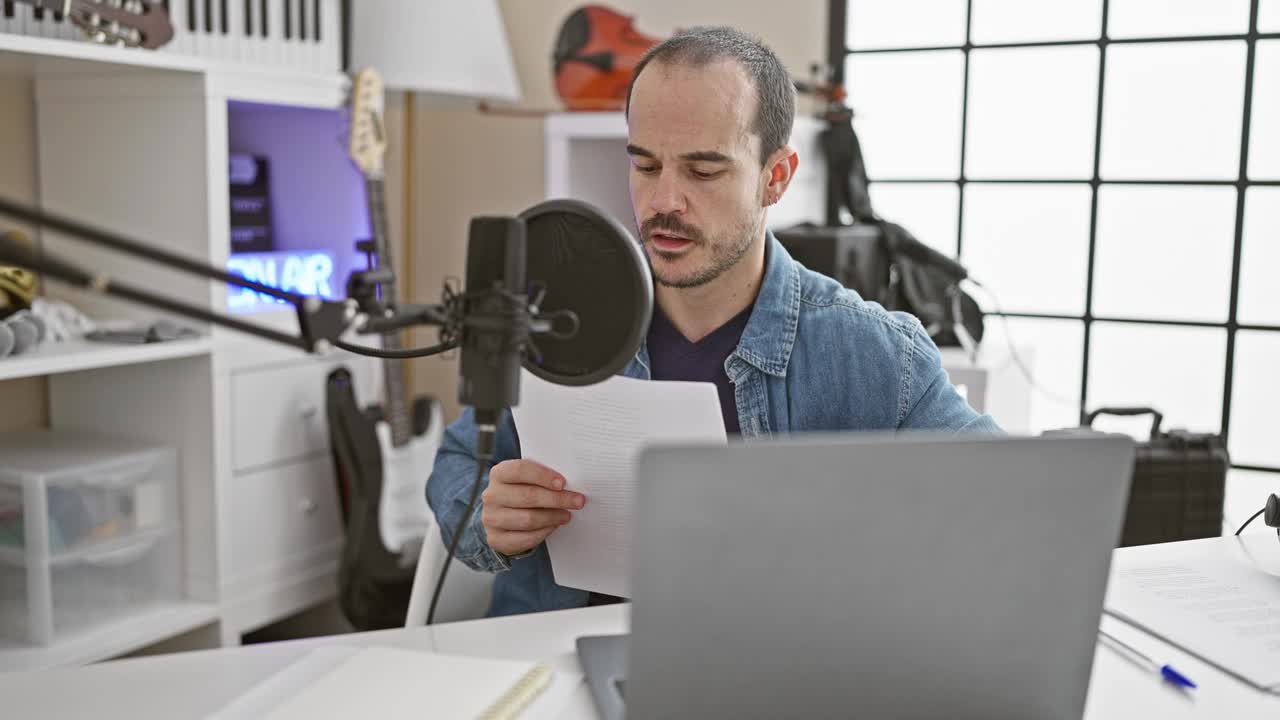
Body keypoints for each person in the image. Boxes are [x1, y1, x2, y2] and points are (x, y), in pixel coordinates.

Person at [428, 26, 1000, 617]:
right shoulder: (552, 320)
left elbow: (1003, 502)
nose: (663, 201)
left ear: (774, 178)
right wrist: (490, 517)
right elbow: (457, 465)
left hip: (771, 673)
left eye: (703, 172)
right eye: (646, 166)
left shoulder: (877, 355)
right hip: (559, 662)